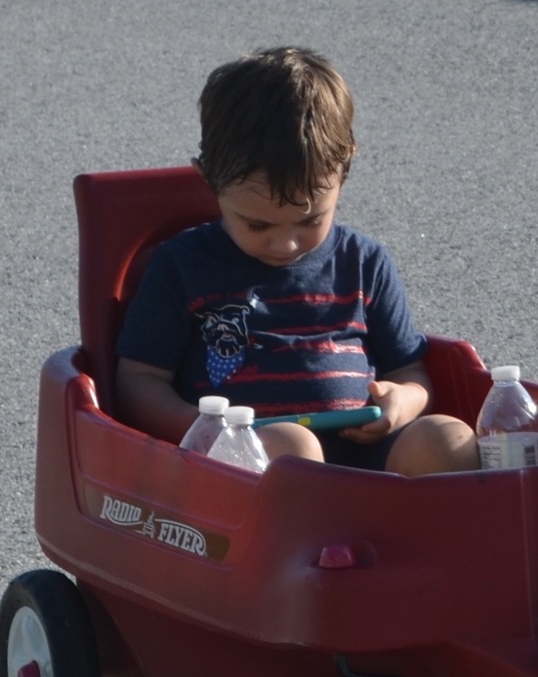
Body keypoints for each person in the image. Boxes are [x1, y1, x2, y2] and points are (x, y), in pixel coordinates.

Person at [115, 46, 479, 476]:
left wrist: (399, 404)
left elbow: (411, 371)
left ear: (343, 171)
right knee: (293, 444)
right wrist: (206, 431)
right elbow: (138, 379)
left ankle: (421, 538)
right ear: (208, 181)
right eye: (257, 225)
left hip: (365, 457)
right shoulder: (184, 265)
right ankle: (318, 535)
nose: (285, 244)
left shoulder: (363, 262)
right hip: (245, 466)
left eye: (309, 220)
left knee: (447, 438)